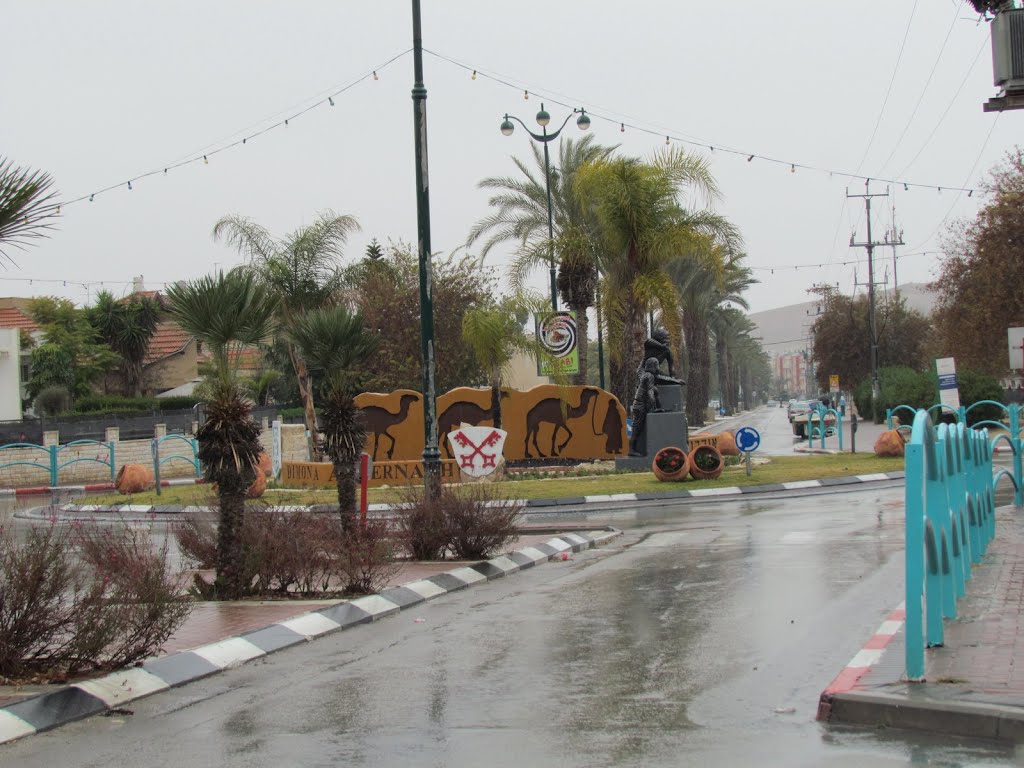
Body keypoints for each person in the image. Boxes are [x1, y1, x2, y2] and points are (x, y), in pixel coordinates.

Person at [629, 358, 662, 456]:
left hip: (638, 405)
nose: (658, 368)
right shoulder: (650, 376)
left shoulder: (643, 374)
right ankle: (631, 449)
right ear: (654, 366)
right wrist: (654, 407)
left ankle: (632, 449)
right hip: (640, 405)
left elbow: (639, 369)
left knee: (636, 428)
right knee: (636, 429)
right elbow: (650, 392)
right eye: (657, 365)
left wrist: (643, 359)